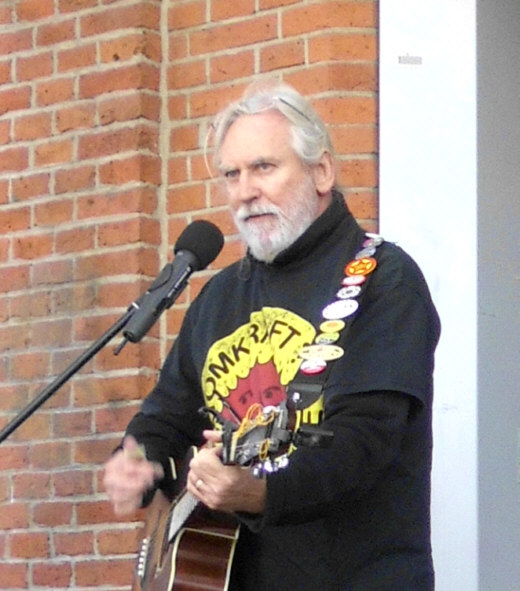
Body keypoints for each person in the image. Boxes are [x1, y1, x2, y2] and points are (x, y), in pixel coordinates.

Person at [103, 80, 441, 591]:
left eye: (263, 167)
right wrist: (137, 461)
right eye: (231, 174)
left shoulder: (384, 281)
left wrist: (257, 492)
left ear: (321, 170)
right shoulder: (218, 298)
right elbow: (166, 416)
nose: (244, 191)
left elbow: (363, 445)